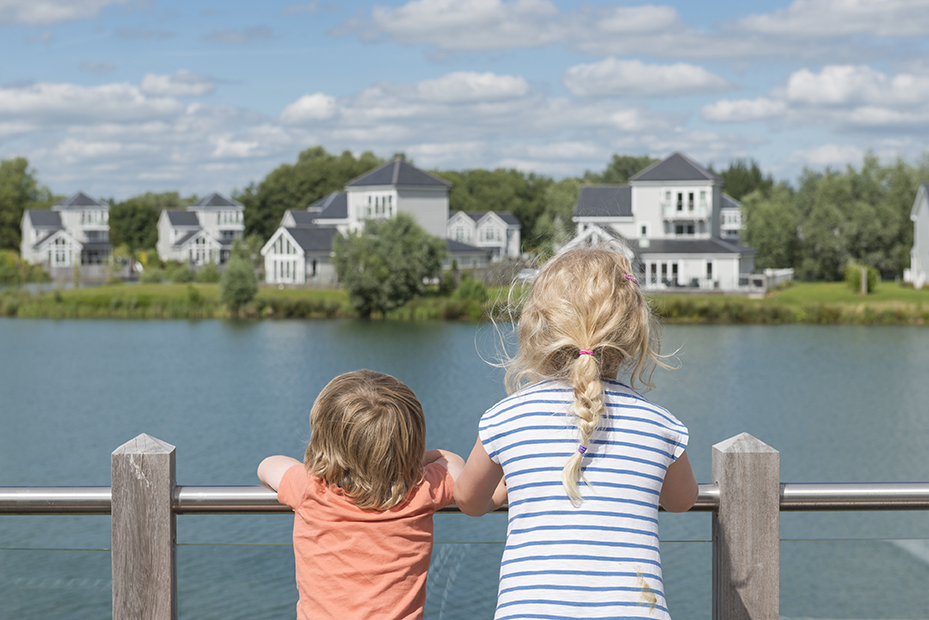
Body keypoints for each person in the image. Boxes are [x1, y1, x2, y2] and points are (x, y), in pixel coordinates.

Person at [454, 245, 698, 620]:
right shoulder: (660, 425)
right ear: (634, 332)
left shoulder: (506, 418)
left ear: (537, 328)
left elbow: (469, 501)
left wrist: (508, 489)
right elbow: (682, 500)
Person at [258, 369, 464, 620]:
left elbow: (267, 465)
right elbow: (452, 462)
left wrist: (318, 468)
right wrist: (411, 462)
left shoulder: (310, 488)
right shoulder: (424, 489)